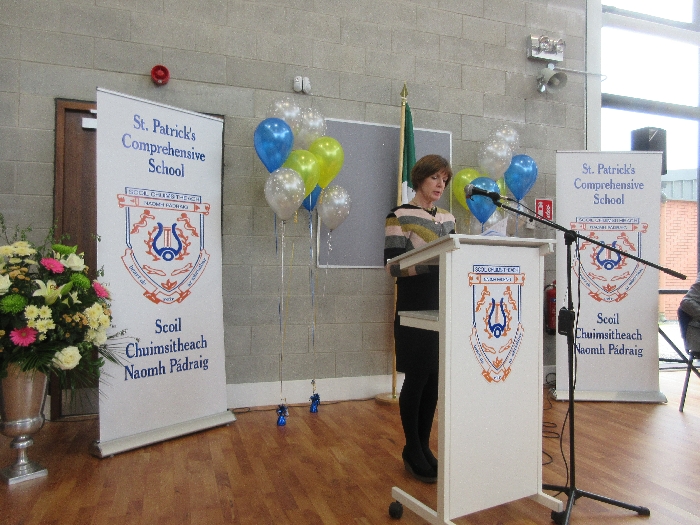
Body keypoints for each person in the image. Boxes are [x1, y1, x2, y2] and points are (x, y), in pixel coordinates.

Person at [384, 154, 455, 483]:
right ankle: (412, 448)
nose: (441, 185)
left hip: (442, 303)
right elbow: (393, 266)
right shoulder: (398, 215)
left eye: (445, 179)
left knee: (433, 379)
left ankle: (424, 447)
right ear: (420, 179)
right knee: (416, 376)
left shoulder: (448, 218)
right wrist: (433, 264)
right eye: (435, 178)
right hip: (414, 306)